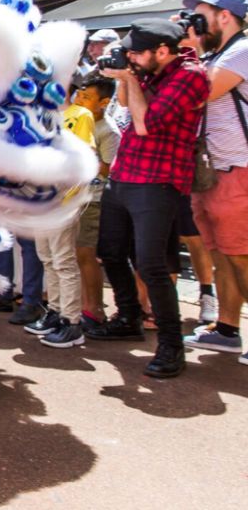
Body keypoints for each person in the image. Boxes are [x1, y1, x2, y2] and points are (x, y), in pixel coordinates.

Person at [86, 19, 209, 379]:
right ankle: (128, 317)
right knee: (109, 251)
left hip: (159, 181)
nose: (132, 58)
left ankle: (172, 346)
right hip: (125, 175)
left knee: (152, 265)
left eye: (138, 53)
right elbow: (126, 106)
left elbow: (145, 122)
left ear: (163, 51)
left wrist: (128, 78)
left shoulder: (191, 77)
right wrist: (127, 77)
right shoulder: (150, 70)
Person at [180, 0, 248, 364]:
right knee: (221, 254)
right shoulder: (216, 54)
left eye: (200, 15)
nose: (194, 23)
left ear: (225, 16)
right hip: (212, 174)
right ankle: (226, 328)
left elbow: (197, 92)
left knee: (241, 257)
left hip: (239, 170)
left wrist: (186, 49)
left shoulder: (242, 49)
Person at [24, 88, 95, 348]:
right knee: (47, 258)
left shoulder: (81, 114)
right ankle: (54, 312)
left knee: (64, 261)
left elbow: (84, 158)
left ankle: (71, 321)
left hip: (63, 201)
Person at [71, 75, 121, 330]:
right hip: (74, 198)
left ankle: (94, 309)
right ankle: (80, 306)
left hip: (94, 200)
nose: (80, 100)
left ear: (104, 102)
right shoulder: (75, 119)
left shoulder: (108, 131)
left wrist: (88, 155)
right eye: (79, 95)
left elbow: (109, 169)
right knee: (74, 254)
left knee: (86, 253)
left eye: (86, 98)